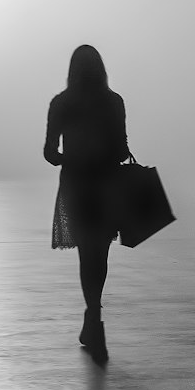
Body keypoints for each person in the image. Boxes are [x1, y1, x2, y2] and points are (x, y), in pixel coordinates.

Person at [45, 45, 131, 362]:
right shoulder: (113, 102)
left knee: (86, 255)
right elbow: (122, 150)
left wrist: (74, 157)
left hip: (76, 185)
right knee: (100, 253)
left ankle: (93, 316)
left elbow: (50, 154)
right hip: (106, 184)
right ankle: (93, 318)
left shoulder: (61, 103)